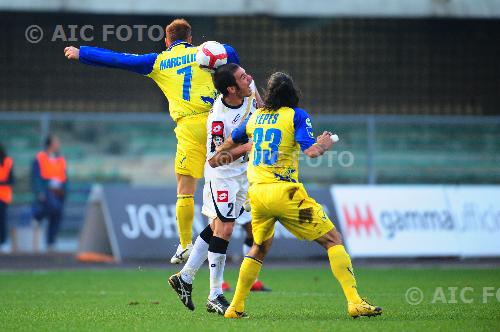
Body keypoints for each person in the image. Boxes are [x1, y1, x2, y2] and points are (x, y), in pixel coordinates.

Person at [64, 19, 255, 264]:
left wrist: (82, 53)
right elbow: (233, 57)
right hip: (217, 120)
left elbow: (119, 59)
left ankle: (185, 245)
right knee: (235, 163)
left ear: (166, 41)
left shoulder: (158, 61)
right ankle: (249, 199)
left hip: (188, 127)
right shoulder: (206, 52)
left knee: (185, 189)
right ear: (190, 39)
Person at [216, 72, 383, 319]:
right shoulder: (296, 115)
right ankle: (355, 301)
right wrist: (325, 143)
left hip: (258, 195)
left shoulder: (256, 118)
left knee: (259, 248)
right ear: (293, 93)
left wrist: (233, 150)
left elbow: (225, 146)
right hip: (284, 192)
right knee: (333, 239)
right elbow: (312, 152)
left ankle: (235, 307)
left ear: (270, 93)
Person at [169, 63, 269, 315]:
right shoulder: (218, 118)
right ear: (231, 89)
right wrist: (245, 148)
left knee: (217, 228)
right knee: (224, 229)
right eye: (243, 78)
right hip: (222, 177)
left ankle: (185, 277)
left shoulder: (250, 89)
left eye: (247, 74)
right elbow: (214, 159)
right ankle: (215, 295)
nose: (250, 79)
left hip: (244, 176)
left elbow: (264, 111)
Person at [31, 135, 68, 251]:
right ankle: (37, 216)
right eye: (56, 142)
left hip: (59, 192)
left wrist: (65, 190)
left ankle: (50, 242)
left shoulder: (61, 159)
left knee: (58, 214)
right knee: (53, 207)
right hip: (47, 190)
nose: (58, 144)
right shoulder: (40, 158)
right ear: (50, 144)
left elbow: (65, 176)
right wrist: (39, 191)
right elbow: (36, 177)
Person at [0, 144, 14, 253]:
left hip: (3, 196)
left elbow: (11, 180)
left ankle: (3, 242)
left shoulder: (8, 162)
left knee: (2, 220)